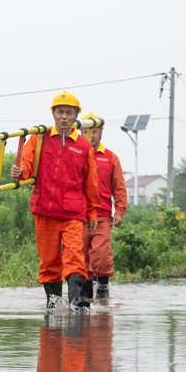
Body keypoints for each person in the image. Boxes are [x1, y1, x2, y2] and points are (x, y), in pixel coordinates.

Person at [10, 90, 100, 309]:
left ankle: (77, 300)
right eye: (60, 112)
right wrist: (19, 171)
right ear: (53, 113)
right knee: (49, 261)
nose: (64, 117)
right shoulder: (38, 138)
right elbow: (28, 166)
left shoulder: (83, 146)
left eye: (69, 112)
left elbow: (90, 181)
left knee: (74, 256)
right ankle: (53, 303)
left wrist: (93, 212)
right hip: (44, 210)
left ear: (76, 115)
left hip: (72, 212)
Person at [80, 112, 127, 299]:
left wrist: (120, 211)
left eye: (94, 131)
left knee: (102, 256)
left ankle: (102, 295)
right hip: (79, 217)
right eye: (85, 131)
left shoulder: (111, 158)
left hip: (102, 217)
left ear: (101, 133)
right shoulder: (76, 155)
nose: (90, 135)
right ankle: (84, 301)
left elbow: (120, 187)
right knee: (80, 259)